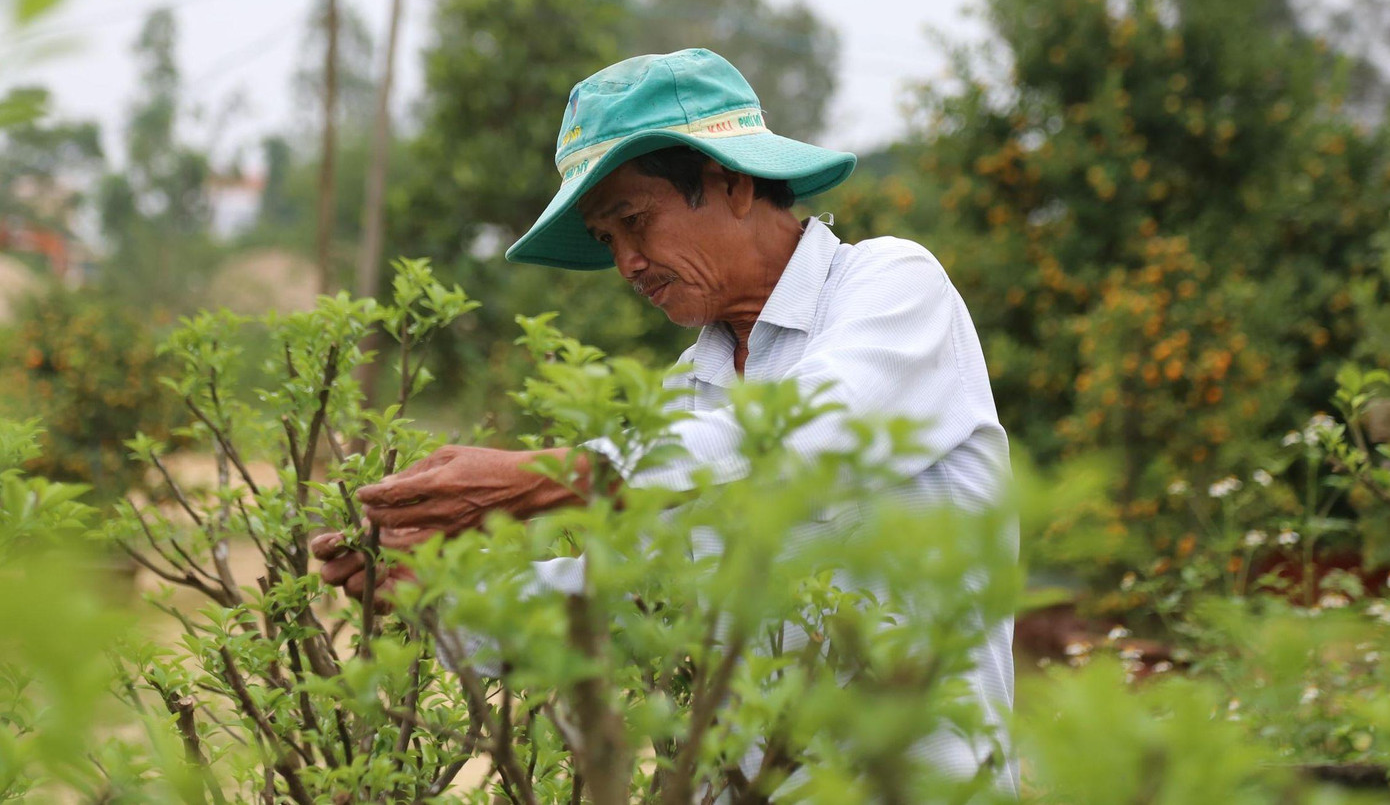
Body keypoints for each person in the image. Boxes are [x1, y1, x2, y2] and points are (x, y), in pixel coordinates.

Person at [313, 48, 1019, 796]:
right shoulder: (692, 388)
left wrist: (544, 479)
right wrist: (430, 594)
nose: (627, 263)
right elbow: (630, 598)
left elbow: (808, 436)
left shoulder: (894, 286)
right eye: (607, 240)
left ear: (732, 181)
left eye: (633, 220)